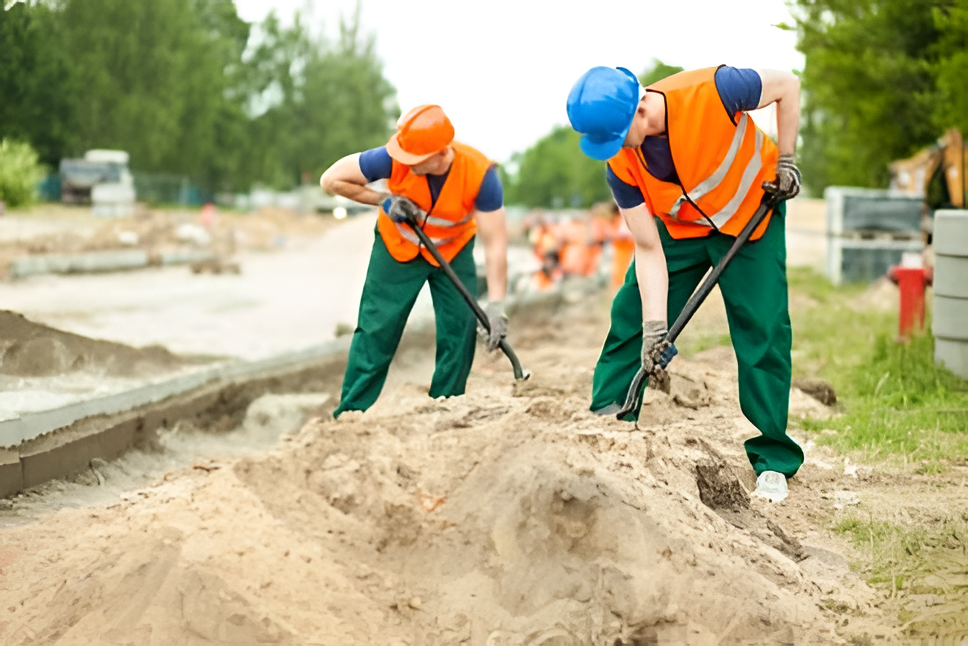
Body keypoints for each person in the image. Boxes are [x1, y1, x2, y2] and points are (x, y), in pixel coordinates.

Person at [566, 65, 804, 502]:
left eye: (617, 137)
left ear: (640, 110)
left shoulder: (715, 90)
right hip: (685, 230)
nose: (616, 149)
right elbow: (647, 248)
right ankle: (608, 423)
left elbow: (787, 85)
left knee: (762, 328)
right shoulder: (620, 165)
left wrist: (786, 159)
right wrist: (656, 328)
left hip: (753, 216)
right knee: (631, 316)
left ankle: (773, 459)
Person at [320, 104, 509, 417]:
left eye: (415, 159)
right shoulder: (394, 157)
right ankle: (352, 411)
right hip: (398, 247)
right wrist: (384, 200)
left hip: (452, 250)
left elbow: (496, 244)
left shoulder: (481, 175)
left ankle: (446, 405)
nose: (407, 163)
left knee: (460, 328)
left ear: (441, 152)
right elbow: (331, 180)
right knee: (377, 328)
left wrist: (497, 305)